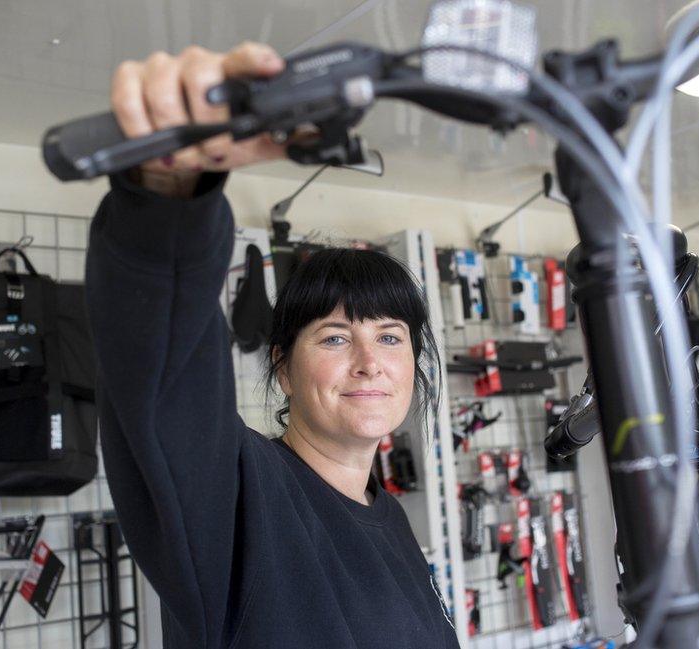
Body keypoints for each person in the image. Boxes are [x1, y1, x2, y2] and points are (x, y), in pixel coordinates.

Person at [84, 40, 460, 648]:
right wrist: (165, 196)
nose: (370, 363)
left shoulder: (385, 514)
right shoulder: (239, 498)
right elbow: (163, 374)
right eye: (336, 337)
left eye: (390, 336)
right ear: (282, 369)